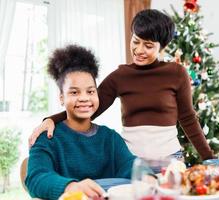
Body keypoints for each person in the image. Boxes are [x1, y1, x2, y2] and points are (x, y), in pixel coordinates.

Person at [29, 9, 214, 161]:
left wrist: (209, 158)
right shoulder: (120, 76)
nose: (139, 50)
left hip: (171, 160)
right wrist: (52, 119)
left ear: (162, 47)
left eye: (148, 46)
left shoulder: (176, 73)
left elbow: (188, 118)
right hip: (131, 161)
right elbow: (89, 107)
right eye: (136, 41)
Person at [25, 45, 136, 200]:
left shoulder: (110, 138)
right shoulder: (47, 138)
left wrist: (148, 176)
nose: (84, 98)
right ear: (61, 98)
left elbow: (130, 165)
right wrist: (71, 187)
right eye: (74, 92)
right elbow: (35, 178)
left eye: (90, 91)